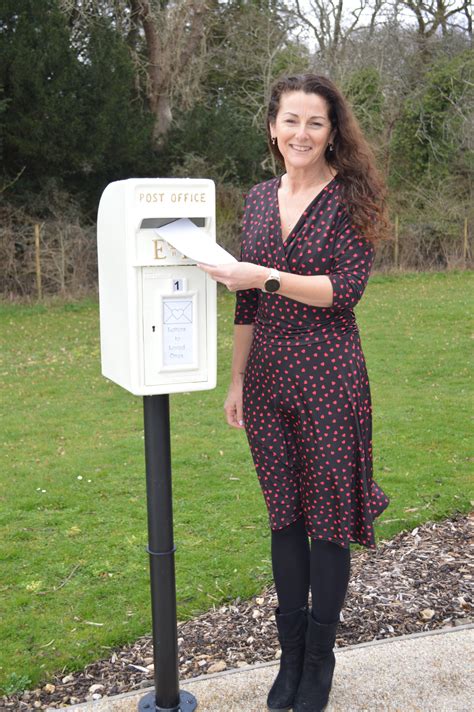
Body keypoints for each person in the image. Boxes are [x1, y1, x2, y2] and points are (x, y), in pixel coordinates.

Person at [197, 73, 391, 712]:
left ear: (332, 130)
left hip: (330, 375)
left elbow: (344, 290)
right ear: (272, 127)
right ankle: (289, 659)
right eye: (290, 121)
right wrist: (237, 379)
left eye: (315, 122)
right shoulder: (256, 199)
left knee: (328, 521)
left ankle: (320, 662)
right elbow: (245, 302)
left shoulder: (351, 198)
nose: (301, 133)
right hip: (268, 382)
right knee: (284, 516)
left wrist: (269, 274)